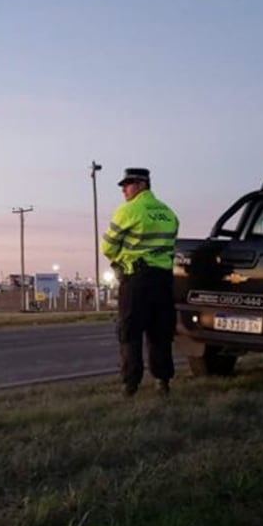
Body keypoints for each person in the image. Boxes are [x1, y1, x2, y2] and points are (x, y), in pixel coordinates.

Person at [101, 167, 180, 396]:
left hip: (136, 280)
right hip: (163, 280)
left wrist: (119, 260)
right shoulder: (168, 213)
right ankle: (162, 381)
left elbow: (107, 246)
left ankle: (130, 384)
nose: (124, 189)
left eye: (128, 184)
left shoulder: (129, 210)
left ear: (142, 185)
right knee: (160, 333)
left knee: (130, 332)